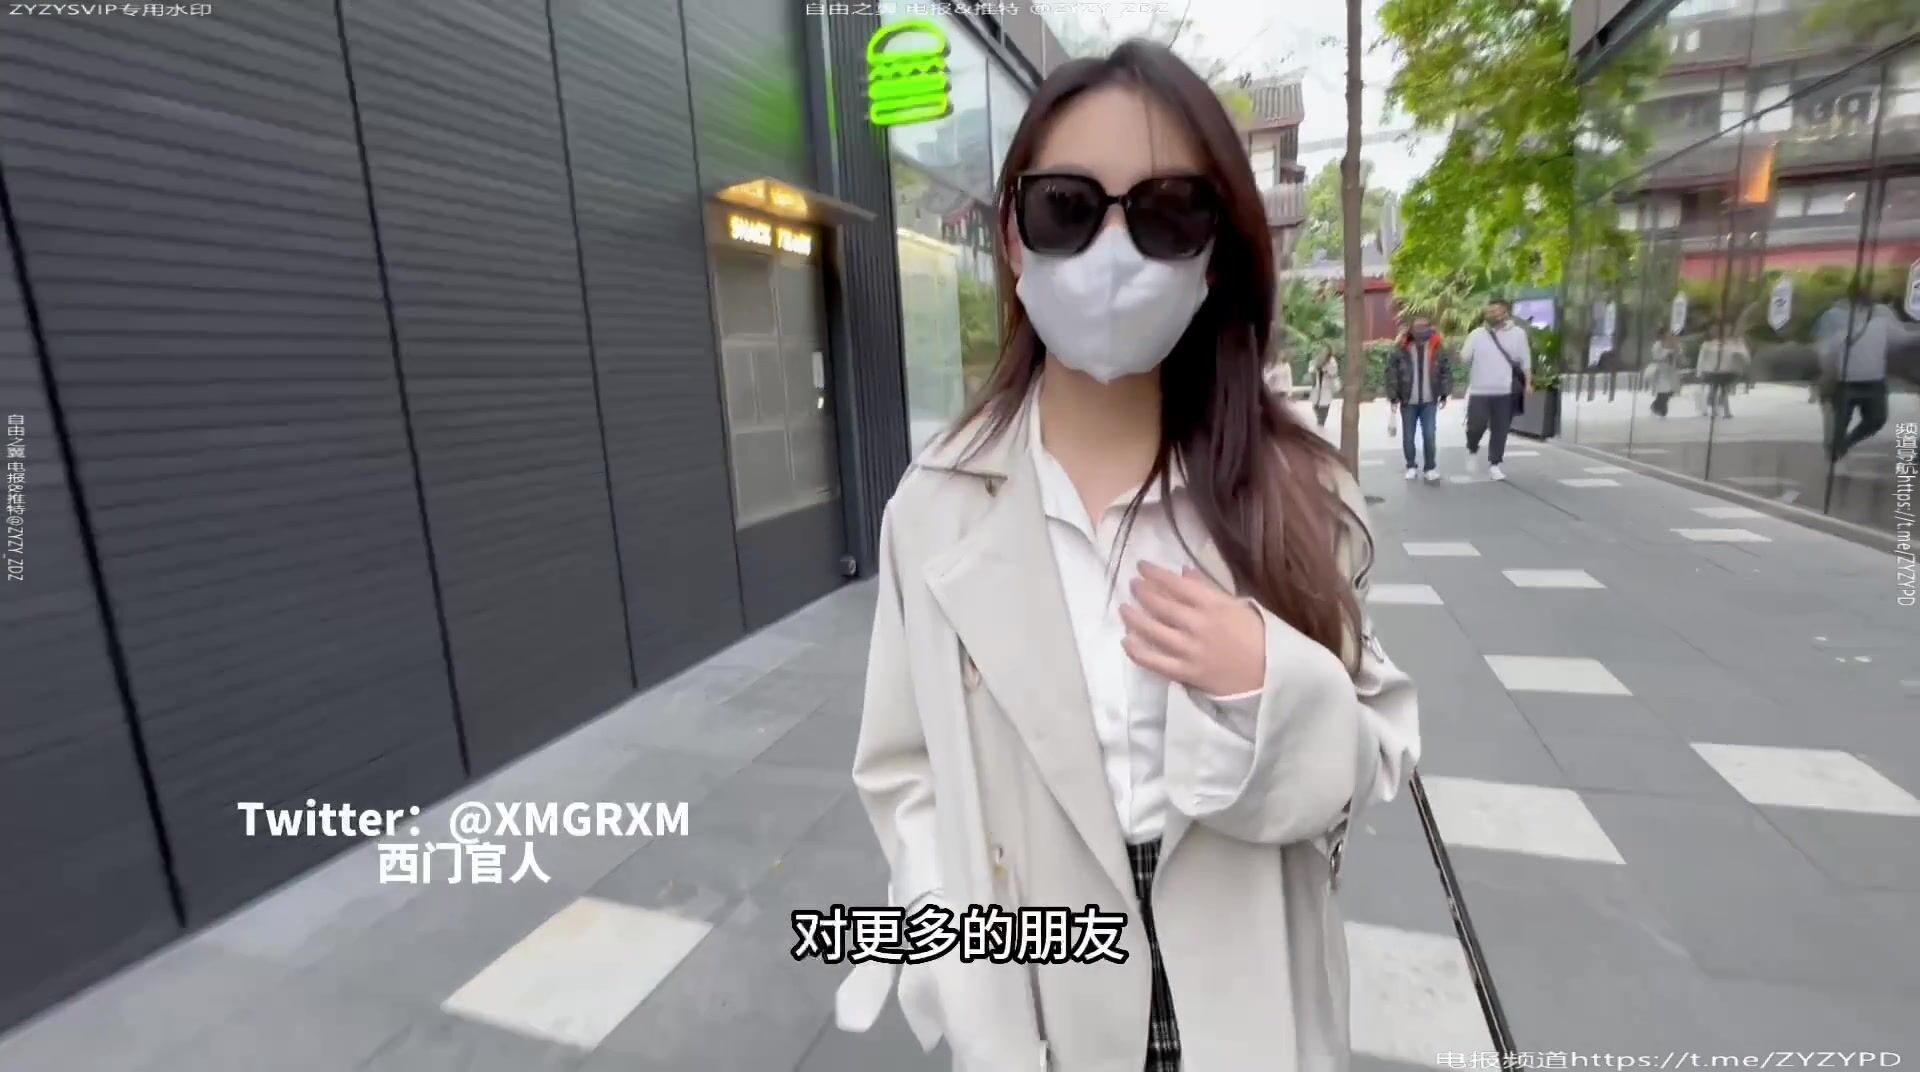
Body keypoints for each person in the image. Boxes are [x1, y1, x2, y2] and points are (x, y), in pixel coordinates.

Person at [835, 40, 1419, 1072]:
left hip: (1248, 993)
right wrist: (949, 966)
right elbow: (901, 769)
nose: (1112, 251)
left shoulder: (1295, 493)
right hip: (1040, 1000)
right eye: (1066, 207)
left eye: (1166, 211)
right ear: (1013, 238)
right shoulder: (934, 510)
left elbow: (1371, 761)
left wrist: (1270, 680)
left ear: (1214, 249)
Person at [1815, 287, 1898, 462]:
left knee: (1876, 419)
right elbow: (1826, 350)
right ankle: (1836, 449)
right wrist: (1827, 373)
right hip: (1846, 381)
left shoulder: (1882, 319)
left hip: (1874, 381)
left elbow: (1898, 339)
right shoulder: (1836, 318)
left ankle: (1843, 445)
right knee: (1840, 424)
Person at [1459, 297, 1531, 481]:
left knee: (1500, 429)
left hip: (1505, 391)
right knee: (1476, 426)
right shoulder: (1477, 334)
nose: (1494, 315)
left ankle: (1495, 463)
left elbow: (1525, 360)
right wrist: (1462, 355)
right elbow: (1464, 358)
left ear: (1506, 313)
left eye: (1497, 311)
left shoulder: (1518, 334)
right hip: (1479, 390)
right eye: (1490, 312)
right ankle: (1472, 448)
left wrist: (1529, 383)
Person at [1386, 315, 1451, 482]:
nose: (1421, 330)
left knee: (1429, 435)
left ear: (1430, 327)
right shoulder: (1401, 347)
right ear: (1411, 328)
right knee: (1408, 436)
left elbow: (1445, 370)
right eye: (1417, 326)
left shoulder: (1437, 346)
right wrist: (1393, 397)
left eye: (1424, 326)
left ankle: (1430, 467)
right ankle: (1411, 466)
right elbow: (1391, 373)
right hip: (1408, 400)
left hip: (1429, 401)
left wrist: (1444, 393)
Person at [1696, 323, 1748, 420]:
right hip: (1712, 371)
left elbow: (1744, 356)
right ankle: (1716, 410)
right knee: (1714, 389)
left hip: (1726, 370)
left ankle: (1725, 411)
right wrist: (1699, 372)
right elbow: (1701, 359)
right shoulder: (1707, 344)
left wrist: (1739, 356)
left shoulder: (1734, 343)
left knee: (1724, 390)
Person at [1644, 327, 1678, 418]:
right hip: (1660, 369)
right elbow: (1656, 356)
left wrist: (1675, 348)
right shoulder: (1658, 344)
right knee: (1663, 390)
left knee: (1669, 391)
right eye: (1667, 333)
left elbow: (1678, 353)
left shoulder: (1672, 344)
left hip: (1670, 370)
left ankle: (1659, 407)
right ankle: (1658, 407)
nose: (1669, 335)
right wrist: (1667, 353)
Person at [1307, 349, 1340, 427]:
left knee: (1324, 404)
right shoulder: (1318, 359)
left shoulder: (1332, 361)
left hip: (1327, 385)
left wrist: (1326, 371)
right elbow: (1311, 369)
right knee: (1315, 405)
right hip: (1318, 384)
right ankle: (1320, 418)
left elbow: (1334, 372)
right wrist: (1315, 369)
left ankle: (1321, 420)